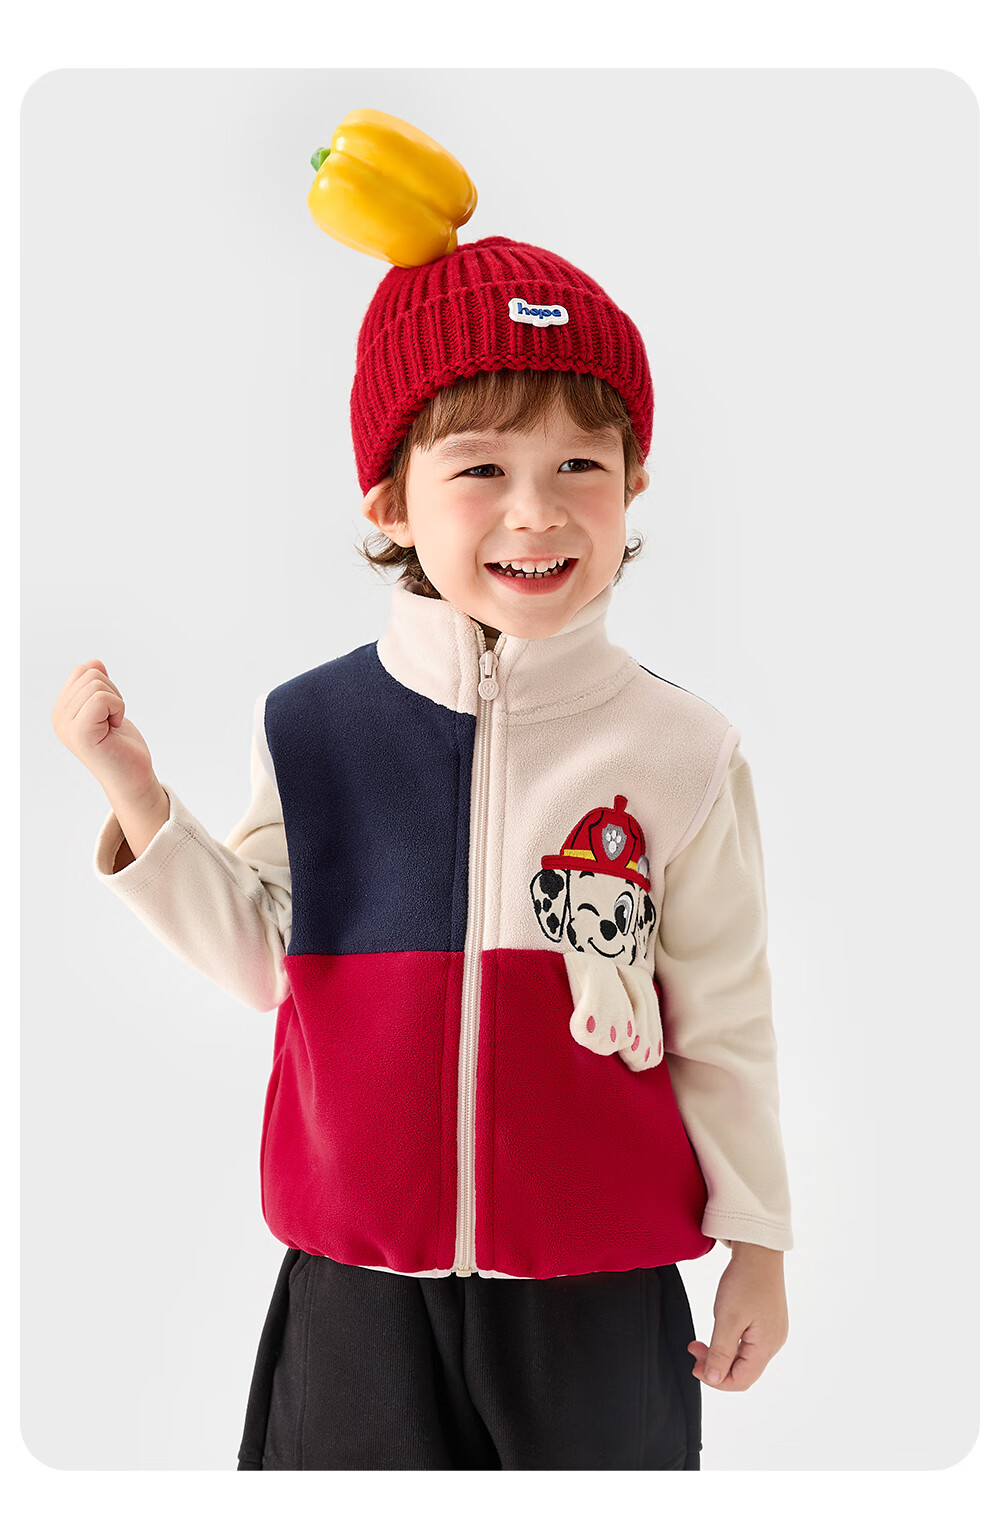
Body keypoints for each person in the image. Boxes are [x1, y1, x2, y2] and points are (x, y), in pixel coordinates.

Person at [52, 234, 793, 1470]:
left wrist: (757, 1239)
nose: (536, 510)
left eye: (580, 463)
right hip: (356, 1295)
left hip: (599, 1294)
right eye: (482, 467)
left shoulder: (682, 750)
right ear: (391, 498)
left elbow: (723, 1015)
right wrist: (139, 799)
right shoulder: (314, 726)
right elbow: (265, 957)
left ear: (632, 482)